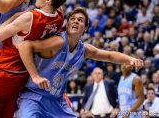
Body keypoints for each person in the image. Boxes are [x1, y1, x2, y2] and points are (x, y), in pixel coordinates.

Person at [16, 7, 144, 118]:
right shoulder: (58, 42)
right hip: (34, 96)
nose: (76, 21)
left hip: (57, 101)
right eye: (72, 19)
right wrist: (35, 76)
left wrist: (130, 59)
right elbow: (24, 46)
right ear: (67, 24)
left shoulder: (84, 50)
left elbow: (109, 55)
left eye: (80, 20)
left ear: (86, 28)